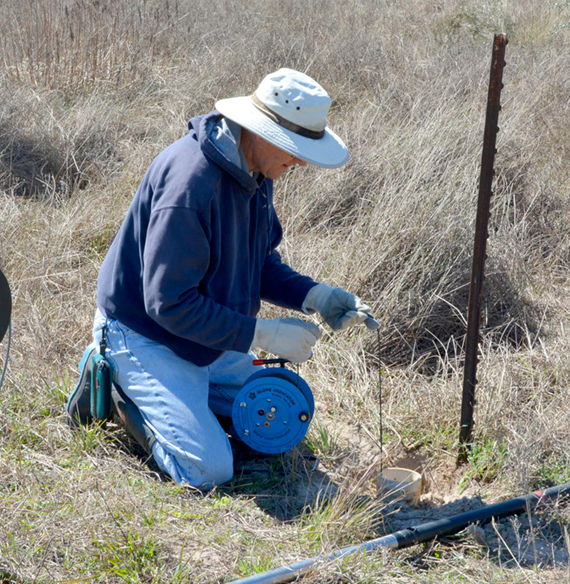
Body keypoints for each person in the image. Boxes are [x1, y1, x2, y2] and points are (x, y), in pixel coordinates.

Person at [67, 68, 377, 489]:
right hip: (144, 334)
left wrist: (315, 295)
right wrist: (260, 334)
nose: (300, 160)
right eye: (294, 148)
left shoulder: (255, 170)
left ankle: (187, 401)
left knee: (279, 411)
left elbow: (258, 262)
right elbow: (168, 302)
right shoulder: (191, 185)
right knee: (208, 469)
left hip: (204, 338)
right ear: (260, 130)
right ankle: (116, 384)